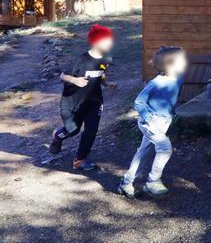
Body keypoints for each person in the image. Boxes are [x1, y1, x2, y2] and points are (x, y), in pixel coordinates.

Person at [117, 46, 187, 198]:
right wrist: (147, 117)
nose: (184, 64)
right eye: (181, 61)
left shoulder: (177, 78)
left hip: (164, 121)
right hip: (151, 121)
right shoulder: (156, 83)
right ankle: (153, 181)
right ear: (169, 65)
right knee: (164, 147)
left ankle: (126, 182)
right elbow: (138, 102)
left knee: (144, 152)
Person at [50, 24, 117, 170]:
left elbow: (101, 73)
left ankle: (80, 159)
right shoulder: (82, 60)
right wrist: (75, 80)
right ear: (95, 42)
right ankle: (57, 136)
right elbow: (62, 76)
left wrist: (107, 84)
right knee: (72, 130)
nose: (110, 43)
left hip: (94, 101)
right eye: (106, 40)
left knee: (91, 130)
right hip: (73, 102)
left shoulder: (106, 59)